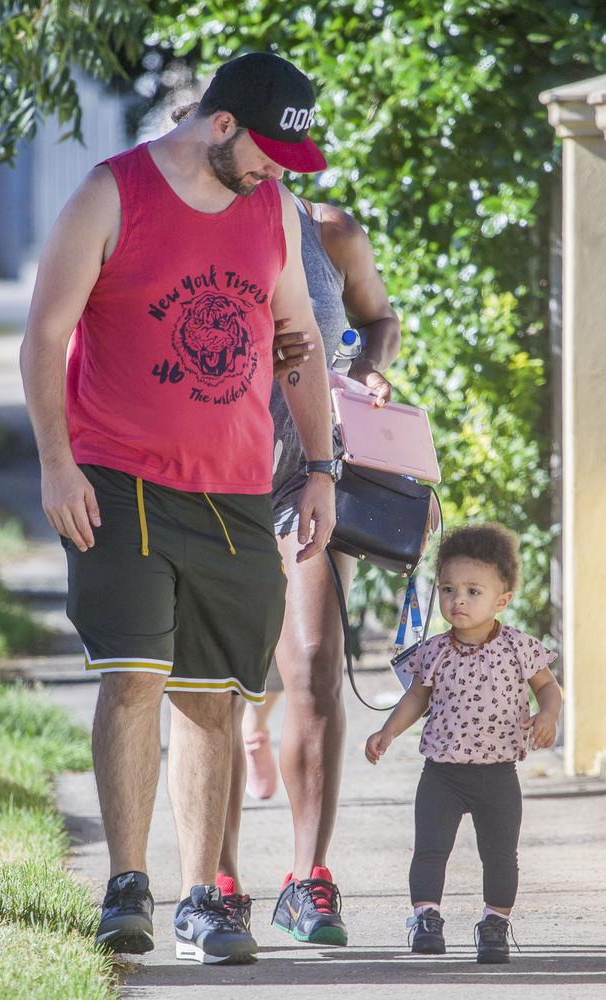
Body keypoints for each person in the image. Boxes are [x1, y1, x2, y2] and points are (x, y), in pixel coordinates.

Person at [20, 52, 338, 965]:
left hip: (237, 488)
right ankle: (128, 884)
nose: (279, 171)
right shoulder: (111, 193)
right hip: (117, 478)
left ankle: (205, 895)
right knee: (132, 675)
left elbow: (300, 342)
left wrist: (319, 466)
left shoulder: (270, 209)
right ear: (223, 124)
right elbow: (46, 333)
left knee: (211, 696)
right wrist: (54, 464)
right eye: (269, 150)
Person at [196, 192, 400, 946]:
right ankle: (216, 878)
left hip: (312, 472)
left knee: (314, 661)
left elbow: (380, 320)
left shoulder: (331, 230)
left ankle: (307, 879)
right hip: (209, 478)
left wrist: (371, 373)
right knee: (216, 675)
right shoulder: (182, 217)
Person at [365, 523, 563, 963]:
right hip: (441, 774)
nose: (458, 599)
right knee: (430, 848)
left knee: (500, 856)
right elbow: (416, 696)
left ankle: (495, 923)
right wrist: (388, 732)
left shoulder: (519, 648)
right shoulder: (434, 650)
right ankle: (426, 917)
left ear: (502, 600)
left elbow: (549, 687)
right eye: (449, 588)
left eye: (474, 591)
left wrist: (547, 714)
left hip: (498, 775)